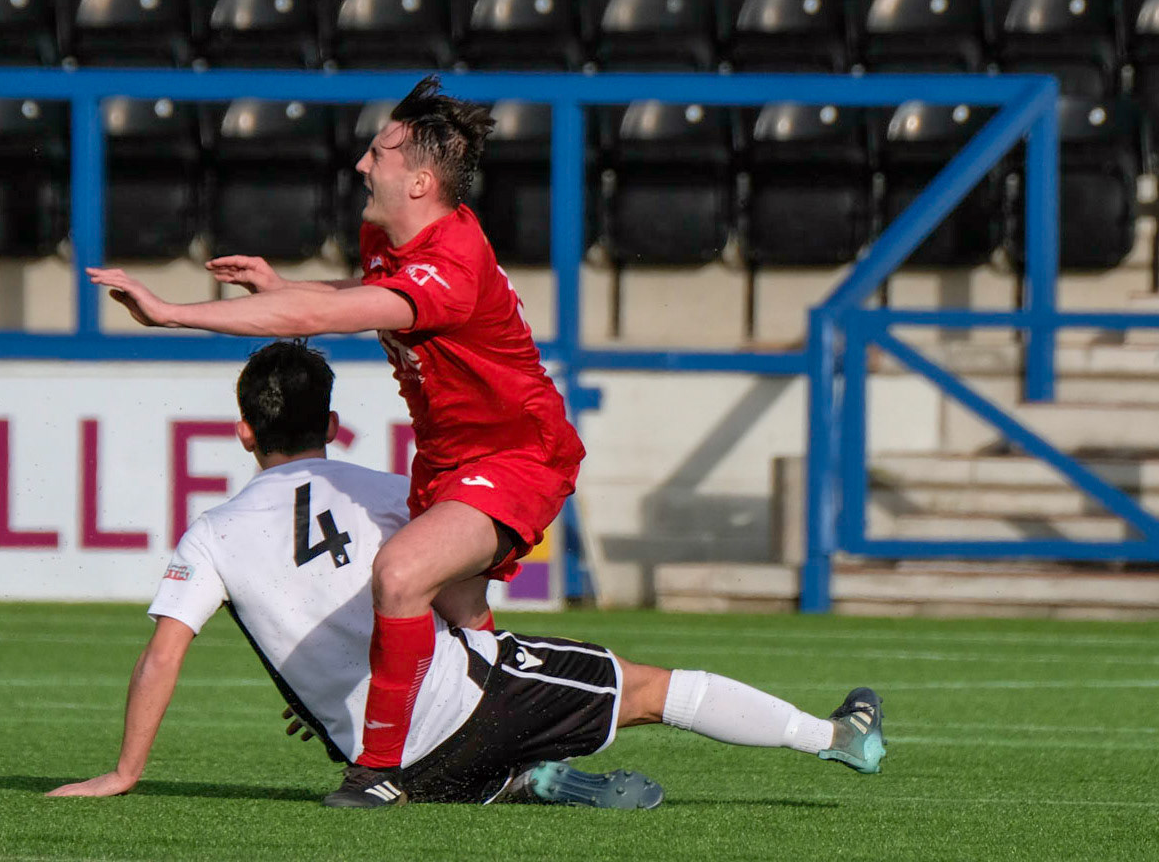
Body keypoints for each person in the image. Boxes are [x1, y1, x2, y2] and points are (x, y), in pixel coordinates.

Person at [47, 342, 888, 808]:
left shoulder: (212, 534)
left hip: (382, 763)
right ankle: (836, 738)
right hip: (464, 707)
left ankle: (529, 780)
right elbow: (460, 592)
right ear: (332, 423)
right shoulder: (381, 489)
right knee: (650, 691)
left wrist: (124, 775)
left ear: (241, 433)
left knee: (484, 729)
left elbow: (164, 653)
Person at [86, 76, 588, 806]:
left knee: (401, 575)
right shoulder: (394, 238)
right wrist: (281, 285)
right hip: (447, 456)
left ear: (418, 179)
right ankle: (508, 752)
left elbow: (349, 314)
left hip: (516, 451)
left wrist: (173, 314)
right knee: (460, 617)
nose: (360, 164)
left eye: (377, 152)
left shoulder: (451, 266)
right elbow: (354, 295)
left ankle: (379, 771)